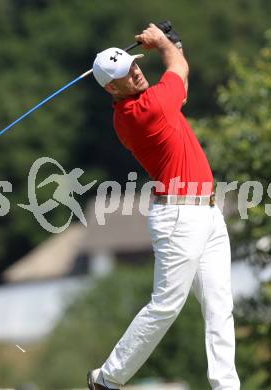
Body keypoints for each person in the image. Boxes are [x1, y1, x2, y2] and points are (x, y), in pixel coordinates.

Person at [87, 23, 240, 390]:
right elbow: (180, 70)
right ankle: (107, 378)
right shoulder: (140, 112)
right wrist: (162, 43)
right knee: (166, 305)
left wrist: (171, 45)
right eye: (126, 74)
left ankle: (227, 386)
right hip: (178, 217)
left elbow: (178, 77)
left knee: (220, 305)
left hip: (206, 211)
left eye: (135, 65)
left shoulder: (154, 101)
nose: (136, 72)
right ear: (112, 87)